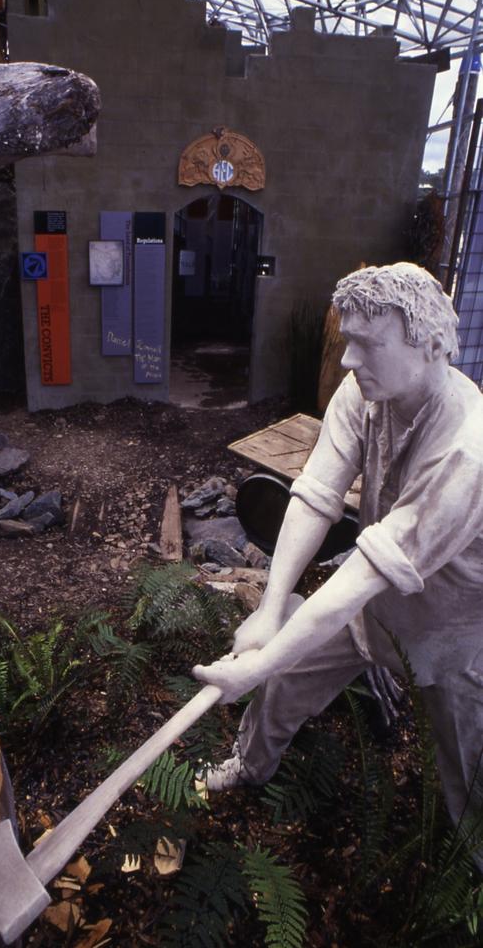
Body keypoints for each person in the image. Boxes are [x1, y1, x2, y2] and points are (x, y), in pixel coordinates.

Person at [193, 262, 483, 838]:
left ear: (427, 344)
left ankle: (468, 874)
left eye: (366, 345)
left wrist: (260, 660)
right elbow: (316, 495)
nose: (347, 360)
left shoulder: (466, 452)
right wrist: (272, 613)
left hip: (454, 638)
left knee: (469, 773)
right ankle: (250, 766)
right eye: (348, 341)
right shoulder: (365, 392)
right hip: (368, 611)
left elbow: (366, 568)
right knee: (284, 679)